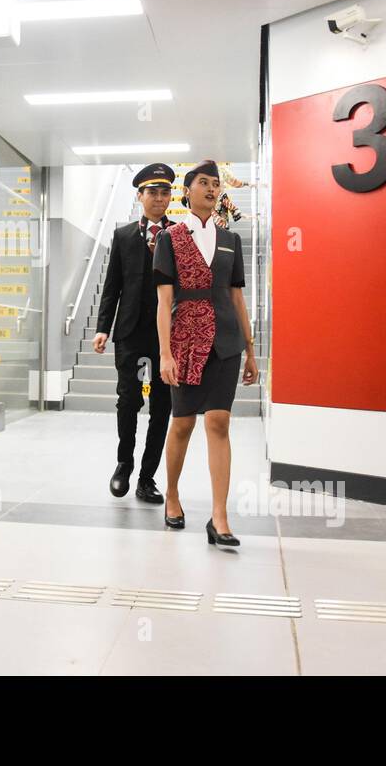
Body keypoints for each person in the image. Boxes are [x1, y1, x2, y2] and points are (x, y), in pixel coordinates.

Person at [152, 160, 259, 546]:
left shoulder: (231, 239)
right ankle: (173, 495)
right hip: (184, 342)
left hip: (226, 343)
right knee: (182, 423)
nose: (212, 189)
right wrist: (164, 354)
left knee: (219, 422)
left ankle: (219, 517)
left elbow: (237, 297)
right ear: (188, 191)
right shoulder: (170, 238)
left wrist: (250, 350)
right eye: (204, 183)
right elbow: (164, 303)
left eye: (216, 184)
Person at [92, 163, 177, 504]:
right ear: (139, 196)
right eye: (152, 192)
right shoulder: (123, 235)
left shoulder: (179, 235)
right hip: (129, 331)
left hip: (166, 337)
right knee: (128, 400)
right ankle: (123, 464)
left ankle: (147, 478)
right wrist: (102, 327)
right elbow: (112, 286)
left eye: (165, 192)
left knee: (162, 405)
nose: (159, 198)